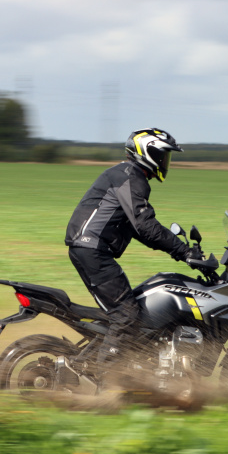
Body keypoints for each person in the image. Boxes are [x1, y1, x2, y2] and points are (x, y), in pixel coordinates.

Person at [65, 128, 200, 376]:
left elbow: (138, 229)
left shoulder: (126, 175)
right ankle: (108, 381)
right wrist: (185, 252)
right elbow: (145, 225)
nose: (165, 162)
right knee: (125, 314)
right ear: (146, 152)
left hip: (90, 248)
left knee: (132, 306)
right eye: (162, 155)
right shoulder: (131, 177)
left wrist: (181, 253)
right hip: (92, 250)